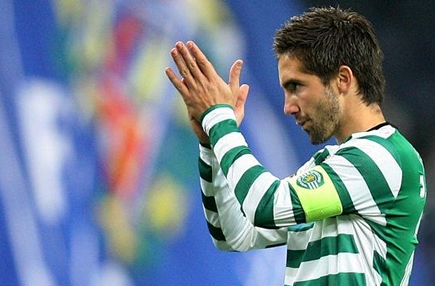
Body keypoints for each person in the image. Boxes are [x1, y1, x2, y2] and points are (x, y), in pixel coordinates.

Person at [165, 6, 426, 286]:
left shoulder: (385, 156)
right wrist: (210, 144)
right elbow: (233, 235)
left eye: (296, 86)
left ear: (343, 79)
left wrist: (220, 121)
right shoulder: (332, 167)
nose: (288, 107)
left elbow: (266, 206)